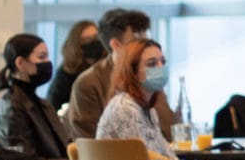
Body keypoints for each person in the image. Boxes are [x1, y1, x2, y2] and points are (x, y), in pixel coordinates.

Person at [69, 8, 172, 137]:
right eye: (137, 43)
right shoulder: (89, 83)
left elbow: (169, 129)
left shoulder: (149, 77)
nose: (146, 49)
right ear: (116, 45)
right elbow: (88, 144)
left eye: (146, 40)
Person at [94, 37, 190, 160]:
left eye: (163, 62)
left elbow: (166, 155)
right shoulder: (124, 106)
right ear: (132, 71)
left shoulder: (149, 109)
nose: (160, 68)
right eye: (152, 64)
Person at [0, 32, 73, 160]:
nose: (48, 62)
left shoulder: (44, 104)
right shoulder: (10, 109)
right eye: (41, 57)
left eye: (47, 57)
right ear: (20, 63)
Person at [46, 19, 103, 112]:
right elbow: (54, 105)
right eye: (87, 39)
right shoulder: (66, 73)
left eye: (96, 37)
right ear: (77, 44)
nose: (94, 42)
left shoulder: (105, 67)